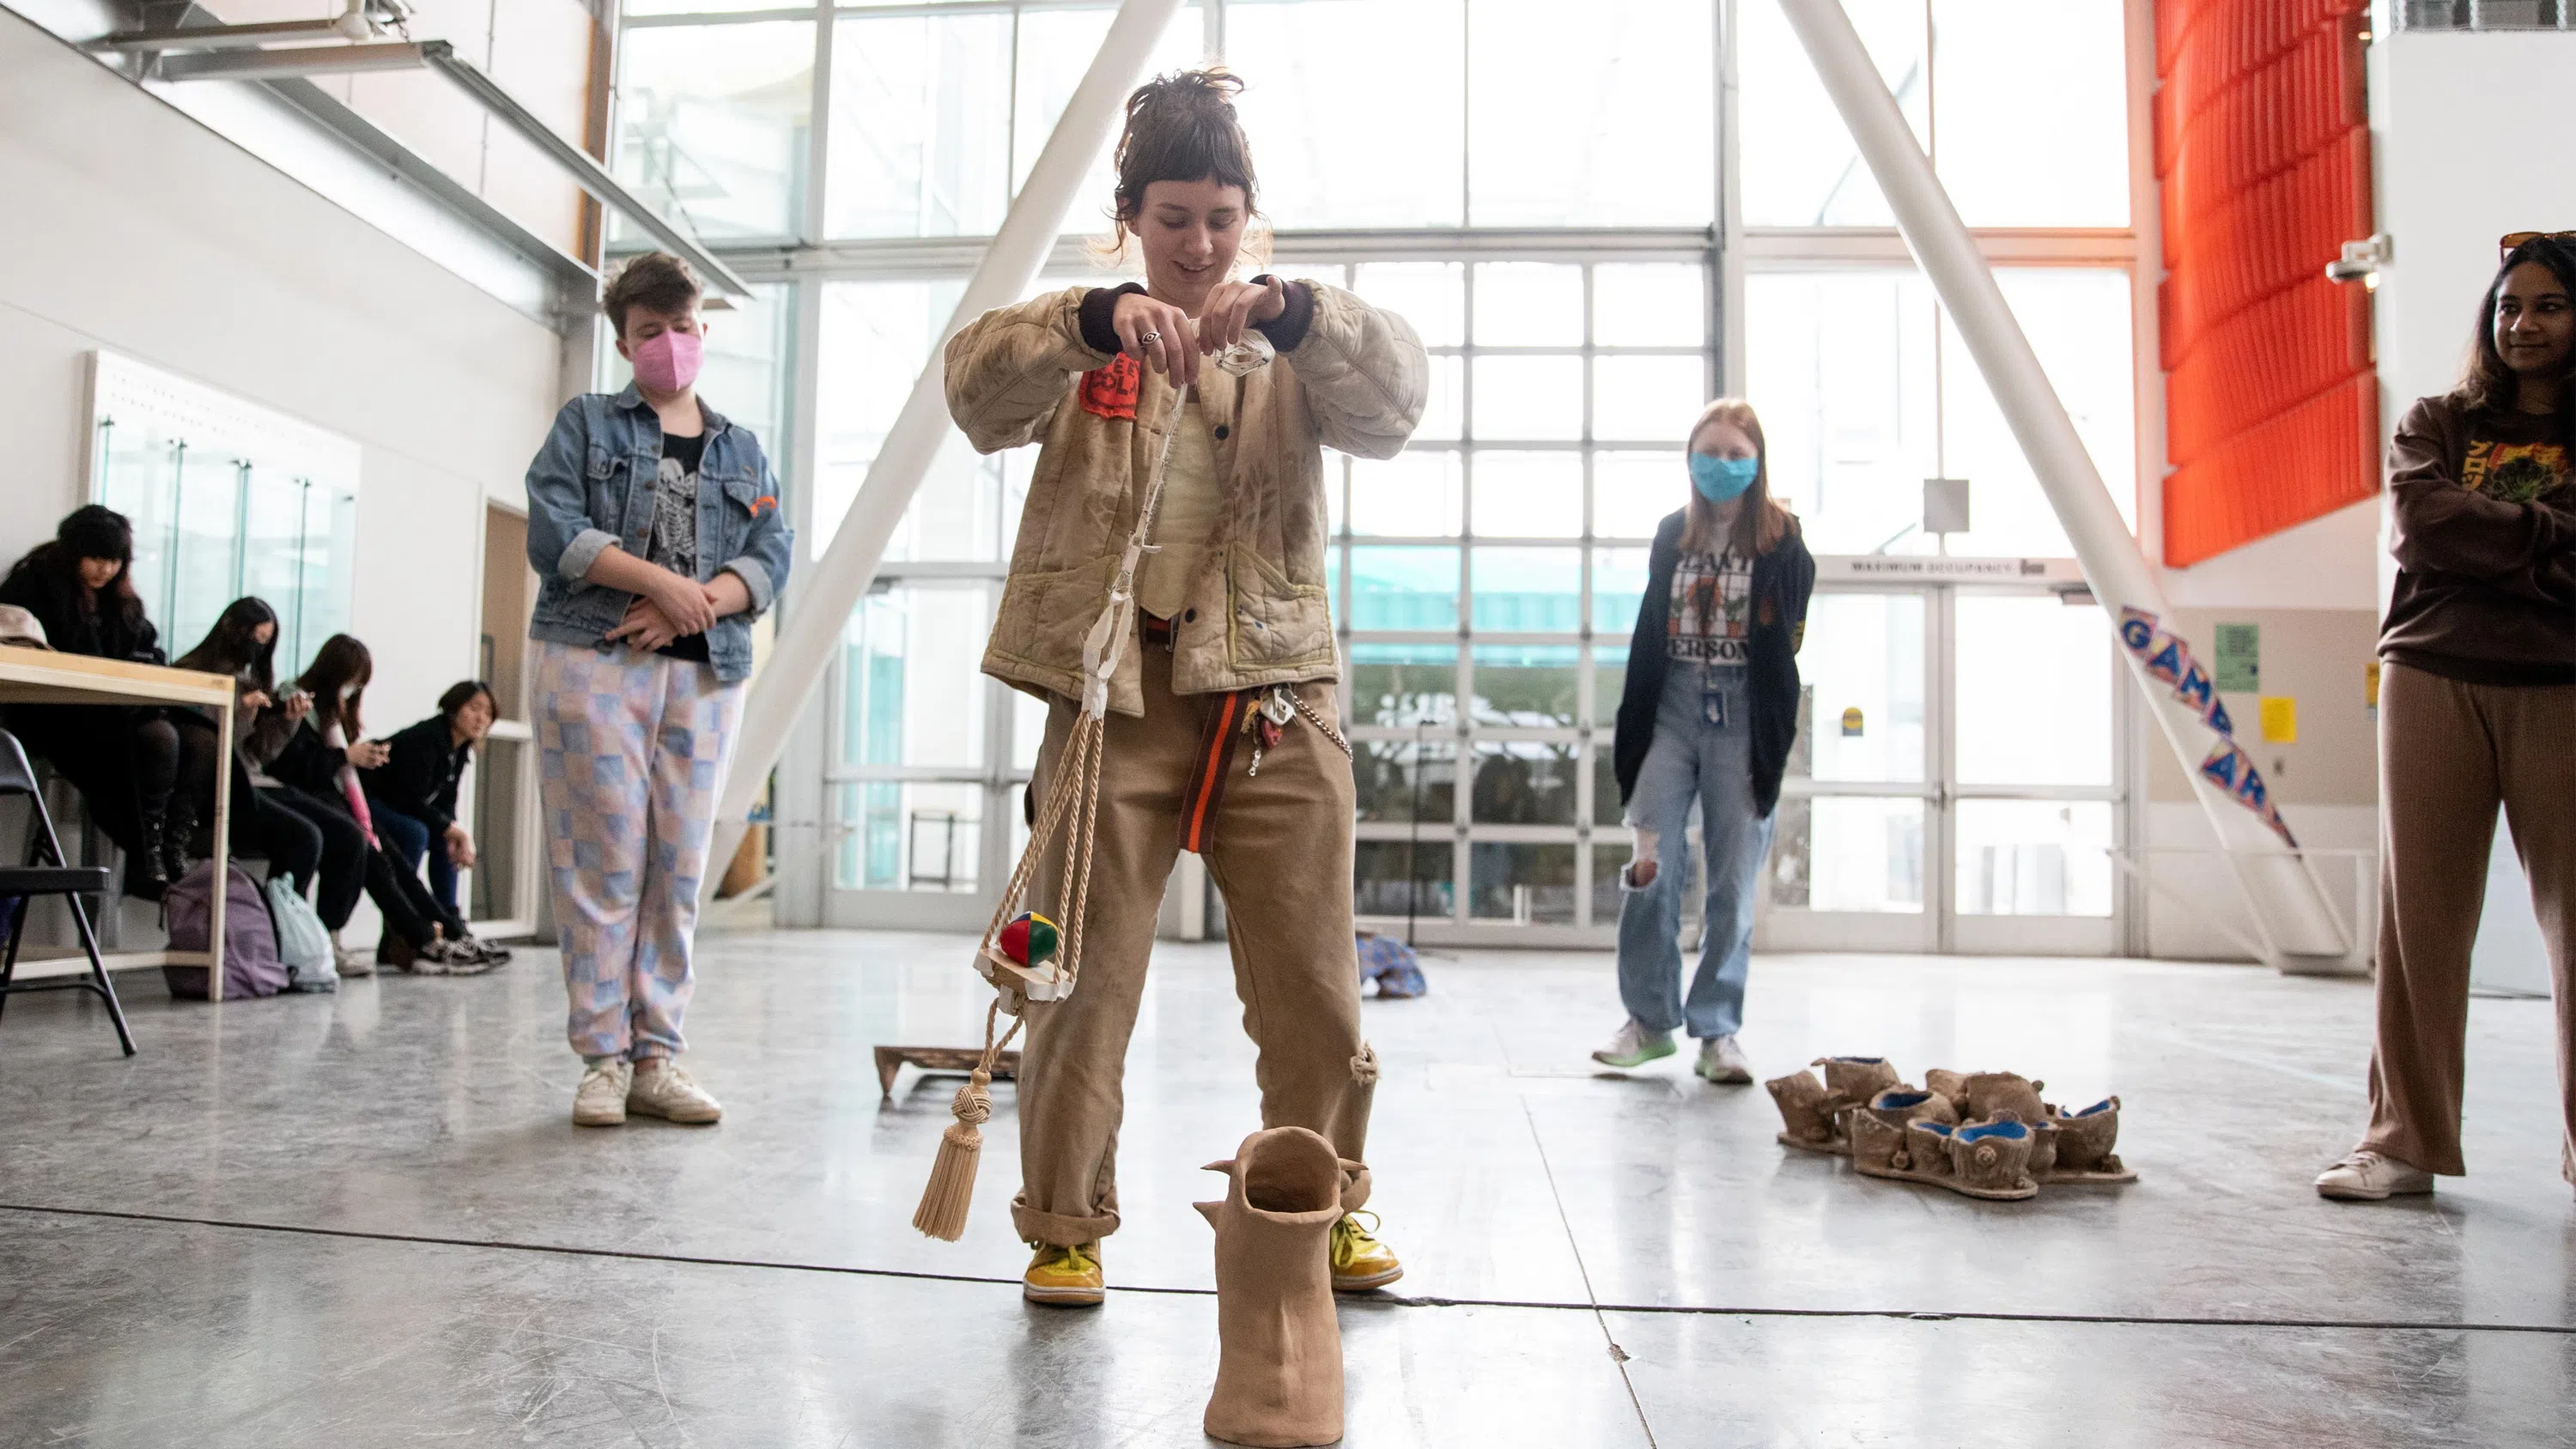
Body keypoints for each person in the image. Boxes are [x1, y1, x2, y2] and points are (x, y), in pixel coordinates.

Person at [944, 70, 1427, 1307]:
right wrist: (1090, 323)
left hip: (1276, 701)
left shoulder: (1289, 335)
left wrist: (1306, 312)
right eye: (1172, 219)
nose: (1199, 243)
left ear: (1247, 213)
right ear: (1132, 220)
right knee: (1077, 981)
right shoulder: (1087, 328)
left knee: (1317, 989)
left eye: (1219, 216)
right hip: (1115, 706)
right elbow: (973, 392)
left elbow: (1397, 405)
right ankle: (1064, 1225)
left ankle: (1326, 1205)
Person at [2318, 233, 2576, 1203]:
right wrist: (2552, 536)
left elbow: (2454, 530)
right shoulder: (2440, 421)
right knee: (2418, 921)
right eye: (2511, 306)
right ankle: (2404, 1143)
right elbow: (2419, 525)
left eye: (2550, 305)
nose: (2525, 323)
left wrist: (2487, 534)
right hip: (2431, 674)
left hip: (2564, 683)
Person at [521, 249, 793, 1129]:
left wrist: (691, 603)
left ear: (701, 331)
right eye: (649, 332)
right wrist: (659, 583)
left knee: (677, 866)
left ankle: (659, 1055)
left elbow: (770, 553)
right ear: (623, 340)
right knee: (601, 861)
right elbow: (555, 528)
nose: (668, 344)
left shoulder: (743, 447)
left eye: (681, 327)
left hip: (704, 669)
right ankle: (603, 1058)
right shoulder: (588, 424)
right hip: (590, 657)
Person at [1592, 399, 1814, 1086]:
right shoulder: (1672, 534)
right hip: (1673, 712)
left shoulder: (1782, 539)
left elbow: (1792, 635)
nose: (1721, 465)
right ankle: (1649, 1022)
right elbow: (1649, 632)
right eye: (1708, 452)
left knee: (1731, 887)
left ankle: (1718, 1032)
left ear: (1756, 462)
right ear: (1690, 460)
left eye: (1734, 454)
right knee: (1650, 871)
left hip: (1744, 720)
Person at [271, 634, 496, 975]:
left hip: (344, 799)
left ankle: (443, 930)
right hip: (320, 798)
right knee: (384, 847)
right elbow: (292, 766)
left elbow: (441, 803)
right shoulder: (298, 703)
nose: (481, 719)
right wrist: (347, 756)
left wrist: (452, 830)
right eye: (350, 681)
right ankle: (421, 936)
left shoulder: (336, 717)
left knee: (395, 858)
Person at [0, 506, 184, 897]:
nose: (105, 569)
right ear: (73, 552)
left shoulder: (120, 601)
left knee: (194, 738)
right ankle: (150, 851)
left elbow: (147, 647)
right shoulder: (36, 586)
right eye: (97, 558)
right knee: (156, 738)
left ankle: (163, 847)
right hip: (53, 714)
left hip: (107, 713)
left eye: (115, 560)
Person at [170, 599, 356, 925]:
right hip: (222, 787)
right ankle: (279, 936)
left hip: (257, 781)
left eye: (265, 641)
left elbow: (258, 754)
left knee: (348, 835)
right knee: (305, 837)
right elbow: (204, 745)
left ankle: (322, 939)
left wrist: (287, 720)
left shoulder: (252, 679)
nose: (257, 648)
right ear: (232, 630)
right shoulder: (191, 674)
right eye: (255, 637)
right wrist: (239, 710)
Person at [362, 681, 491, 925]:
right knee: (416, 832)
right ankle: (401, 926)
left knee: (445, 839)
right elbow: (409, 797)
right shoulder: (428, 738)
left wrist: (453, 831)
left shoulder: (459, 749)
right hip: (369, 799)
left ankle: (450, 921)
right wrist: (451, 829)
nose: (482, 718)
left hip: (398, 805)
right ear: (454, 707)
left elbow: (446, 802)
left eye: (488, 713)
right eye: (475, 708)